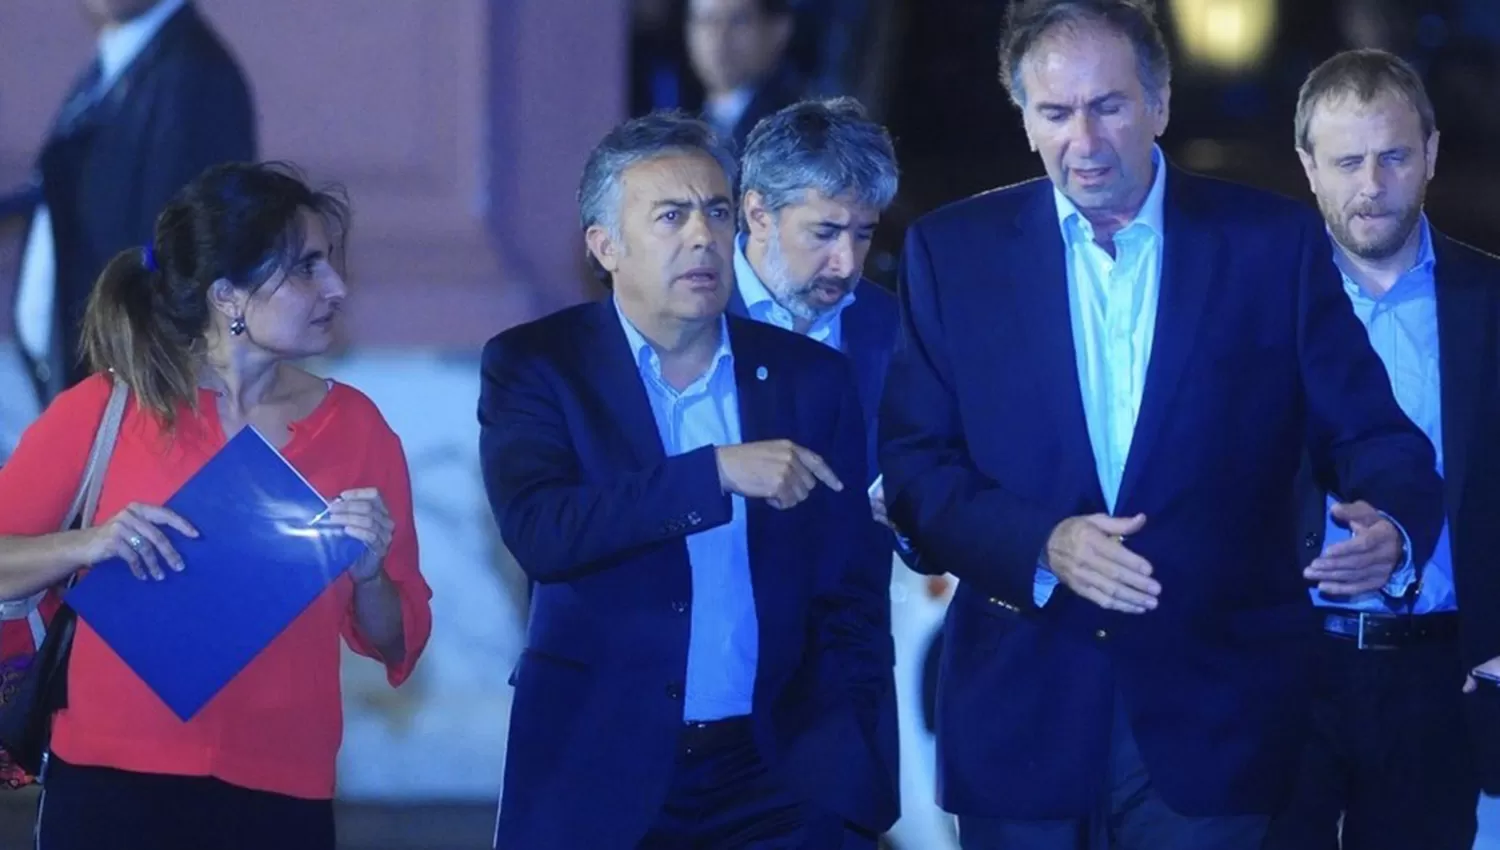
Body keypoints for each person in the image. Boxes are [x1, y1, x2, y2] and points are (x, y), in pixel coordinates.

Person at [877, 1, 1445, 848]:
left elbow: (1376, 437)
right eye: (1055, 113)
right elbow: (918, 470)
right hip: (1020, 727)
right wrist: (1042, 544)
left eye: (1108, 106)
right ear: (1025, 118)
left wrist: (1391, 526)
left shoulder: (1270, 245)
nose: (1084, 139)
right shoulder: (951, 254)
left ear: (1160, 104)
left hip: (1218, 722)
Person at [480, 110, 894, 849]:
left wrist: (856, 772)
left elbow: (851, 596)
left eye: (716, 211)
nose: (703, 235)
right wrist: (715, 474)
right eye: (671, 216)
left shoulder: (811, 379)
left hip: (779, 777)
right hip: (601, 770)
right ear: (605, 246)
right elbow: (543, 532)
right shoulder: (539, 367)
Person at [0, 161, 433, 850]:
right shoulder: (107, 408)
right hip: (112, 779)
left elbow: (399, 641)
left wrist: (372, 573)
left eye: (331, 264)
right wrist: (91, 543)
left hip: (282, 789)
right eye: (307, 269)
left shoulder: (357, 429)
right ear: (228, 295)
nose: (336, 287)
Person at [1264, 48, 1500, 850]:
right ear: (1308, 167)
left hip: (1443, 676)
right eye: (1349, 161)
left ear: (1431, 152)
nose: (1372, 185)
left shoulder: (1492, 304)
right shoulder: (1250, 310)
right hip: (1281, 671)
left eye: (1395, 156)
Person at [730, 95, 910, 847]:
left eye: (863, 234)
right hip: (687, 704)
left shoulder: (900, 333)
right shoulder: (681, 323)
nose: (847, 262)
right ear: (757, 214)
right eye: (825, 232)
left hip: (835, 716)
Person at [1, 0, 256, 412]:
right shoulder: (118, 65)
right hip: (86, 392)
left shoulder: (196, 77)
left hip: (139, 407)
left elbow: (193, 263)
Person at [685, 0, 803, 151]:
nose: (719, 37)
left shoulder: (795, 128)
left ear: (779, 29)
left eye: (738, 20)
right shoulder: (679, 122)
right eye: (706, 19)